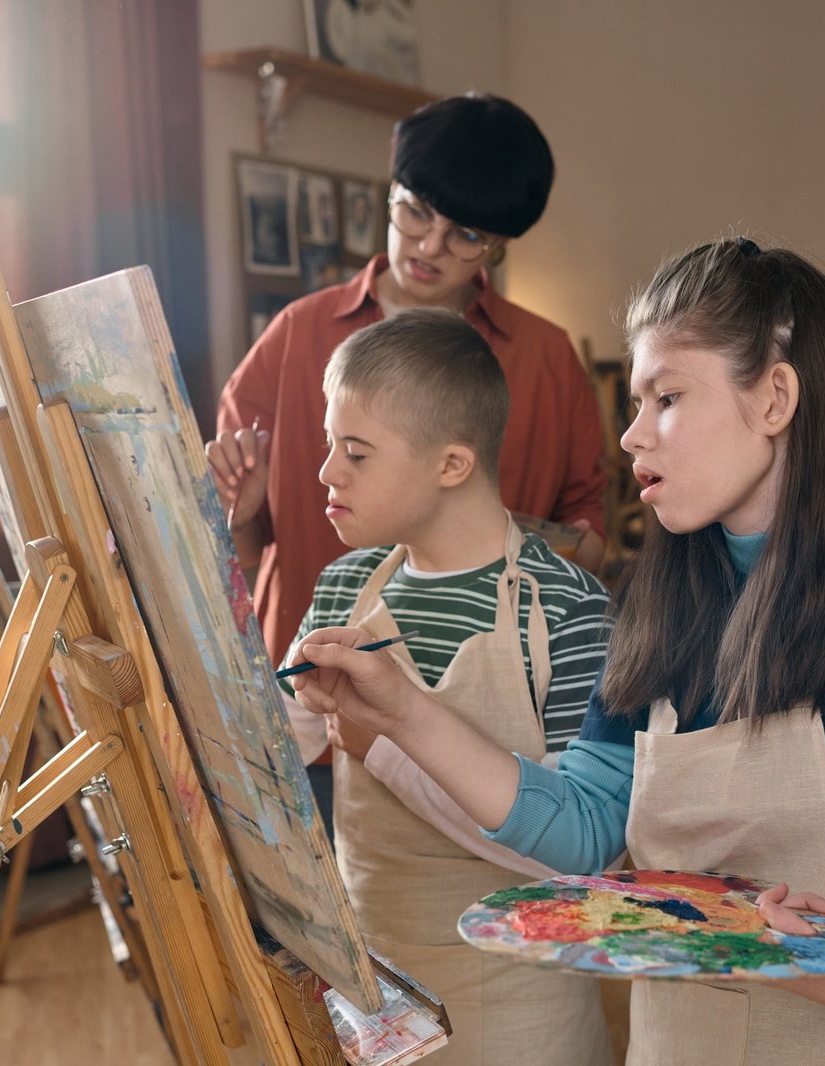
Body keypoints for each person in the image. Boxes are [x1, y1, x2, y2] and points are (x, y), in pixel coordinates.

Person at [289, 238, 825, 1065]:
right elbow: (585, 829)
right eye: (634, 405)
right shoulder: (654, 603)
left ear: (776, 396)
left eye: (666, 397)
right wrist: (404, 712)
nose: (633, 437)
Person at [210, 92, 608, 827]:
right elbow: (230, 551)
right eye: (414, 213)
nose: (429, 247)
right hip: (319, 719)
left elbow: (587, 528)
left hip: (490, 736)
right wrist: (242, 510)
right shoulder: (299, 336)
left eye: (465, 235)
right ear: (387, 196)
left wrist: (488, 529)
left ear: (499, 246)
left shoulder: (545, 358)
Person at [279, 309, 613, 1065]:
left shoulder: (567, 606)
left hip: (529, 1010)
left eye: (356, 453)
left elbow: (574, 860)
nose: (327, 471)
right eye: (330, 444)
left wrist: (385, 744)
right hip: (378, 997)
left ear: (453, 465)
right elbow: (276, 751)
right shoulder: (344, 587)